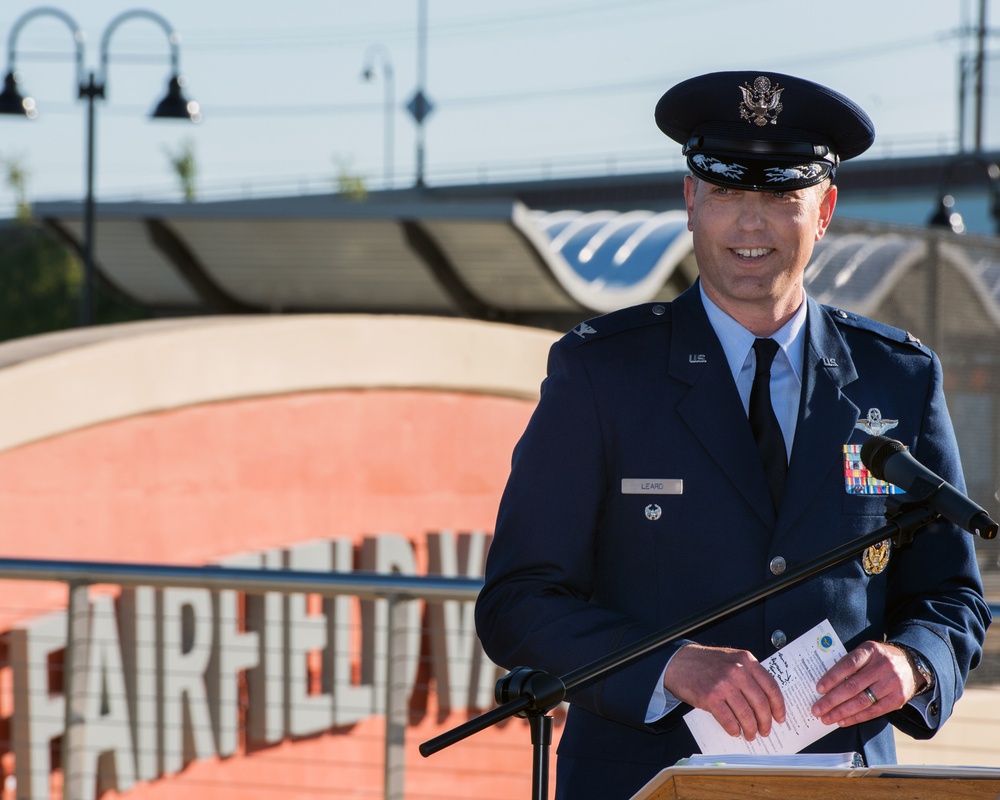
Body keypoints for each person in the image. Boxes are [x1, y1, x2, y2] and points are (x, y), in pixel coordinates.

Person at [474, 70, 991, 800]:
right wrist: (667, 665)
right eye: (726, 193)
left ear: (825, 210)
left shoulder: (896, 378)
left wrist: (914, 664)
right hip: (644, 780)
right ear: (690, 202)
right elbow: (518, 602)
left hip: (845, 781)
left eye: (781, 195)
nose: (751, 225)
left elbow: (951, 597)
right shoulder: (602, 374)